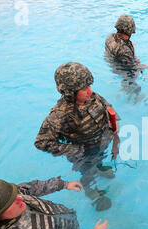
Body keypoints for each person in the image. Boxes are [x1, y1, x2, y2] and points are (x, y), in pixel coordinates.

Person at [35, 62, 120, 211]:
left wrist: (114, 121)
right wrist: (74, 149)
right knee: (87, 173)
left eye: (89, 86)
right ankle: (92, 192)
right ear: (70, 92)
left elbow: (107, 105)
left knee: (98, 160)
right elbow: (42, 141)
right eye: (84, 89)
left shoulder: (92, 96)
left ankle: (99, 167)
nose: (90, 91)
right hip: (84, 154)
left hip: (100, 144)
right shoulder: (61, 114)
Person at [105, 15, 148, 102]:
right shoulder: (125, 51)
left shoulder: (110, 37)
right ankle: (133, 98)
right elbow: (131, 67)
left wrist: (129, 45)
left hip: (110, 62)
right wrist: (145, 68)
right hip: (121, 69)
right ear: (130, 31)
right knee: (135, 81)